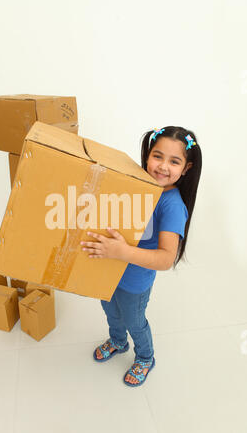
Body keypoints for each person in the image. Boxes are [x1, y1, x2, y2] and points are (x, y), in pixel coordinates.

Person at [80, 126, 202, 387]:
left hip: (135, 282)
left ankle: (145, 357)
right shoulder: (134, 186)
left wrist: (122, 251)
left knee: (135, 322)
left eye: (174, 161)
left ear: (186, 168)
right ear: (147, 155)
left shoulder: (172, 205)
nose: (163, 166)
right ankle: (118, 341)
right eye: (157, 156)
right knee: (111, 312)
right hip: (108, 270)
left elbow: (166, 258)